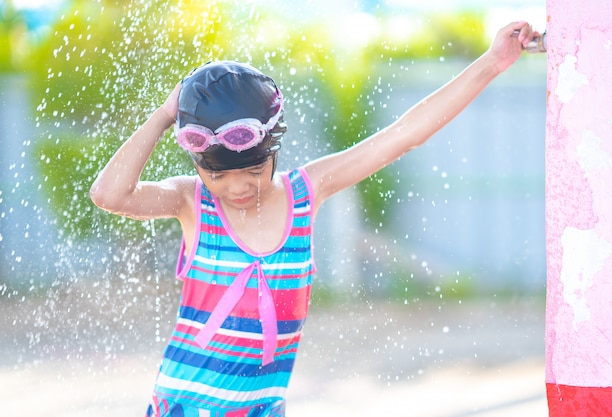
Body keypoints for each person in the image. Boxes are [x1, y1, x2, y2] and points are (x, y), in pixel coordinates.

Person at [90, 21, 537, 417]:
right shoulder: (193, 201)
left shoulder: (306, 192)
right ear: (199, 166)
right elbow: (109, 194)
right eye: (219, 175)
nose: (237, 188)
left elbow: (404, 135)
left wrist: (493, 62)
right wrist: (167, 115)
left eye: (252, 171)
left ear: (274, 149)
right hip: (183, 408)